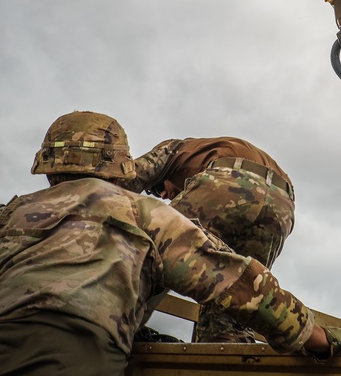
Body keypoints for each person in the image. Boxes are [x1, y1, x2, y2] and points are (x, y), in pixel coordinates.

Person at [0, 111, 341, 375]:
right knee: (202, 281)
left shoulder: (4, 219)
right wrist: (315, 337)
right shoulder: (144, 215)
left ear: (49, 167)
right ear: (112, 163)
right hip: (282, 205)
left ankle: (134, 325)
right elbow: (236, 281)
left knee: (154, 260)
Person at [117, 137, 295, 342]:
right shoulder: (215, 150)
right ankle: (225, 359)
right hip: (282, 206)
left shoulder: (175, 148)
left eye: (157, 188)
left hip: (229, 180)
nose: (164, 195)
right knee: (237, 291)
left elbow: (124, 178)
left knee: (152, 249)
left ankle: (116, 328)